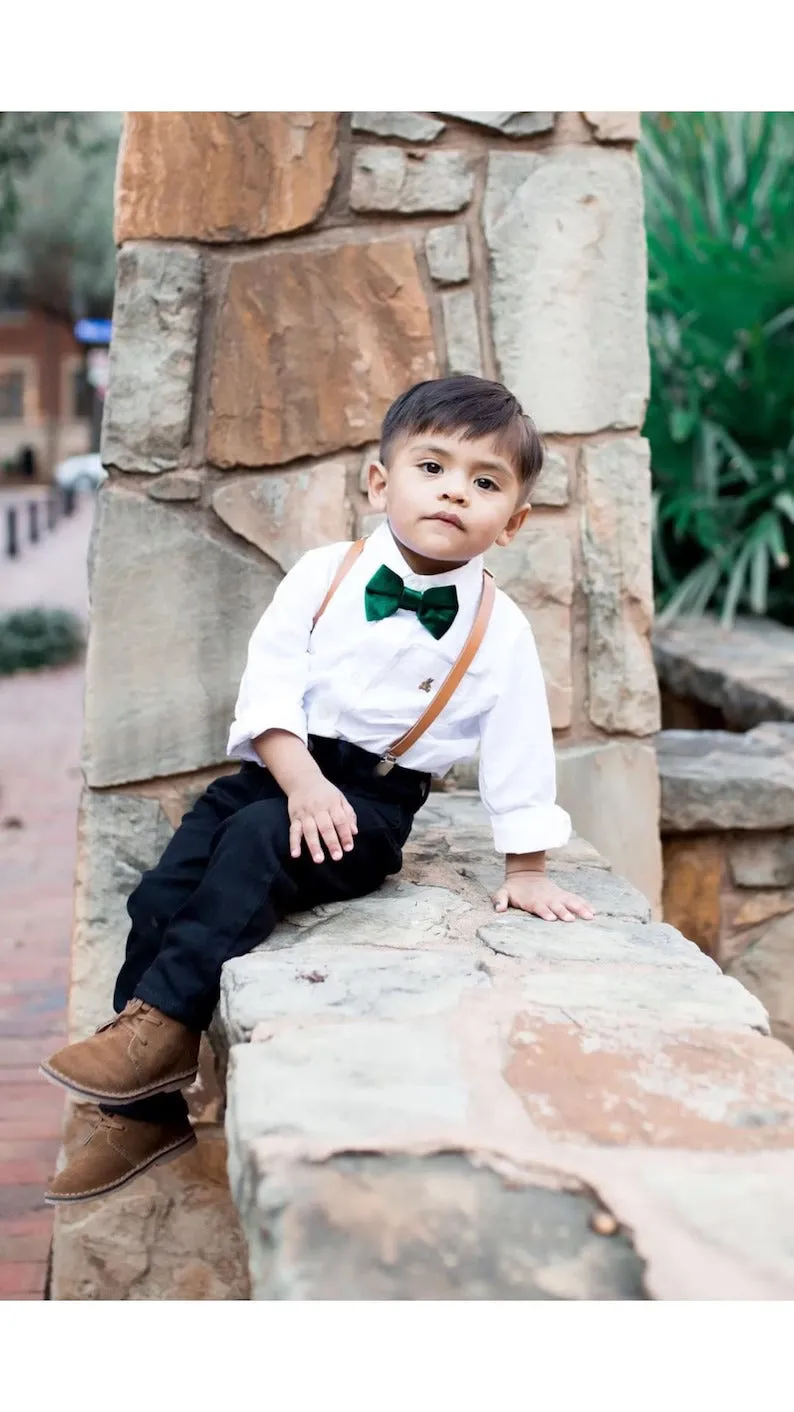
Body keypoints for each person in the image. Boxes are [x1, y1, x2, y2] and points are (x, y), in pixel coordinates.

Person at [41, 374, 594, 1205]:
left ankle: (157, 1036)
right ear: (380, 482)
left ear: (512, 522)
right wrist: (298, 782)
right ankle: (141, 1114)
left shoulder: (498, 628)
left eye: (484, 482)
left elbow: (519, 750)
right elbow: (267, 694)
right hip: (278, 768)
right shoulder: (321, 575)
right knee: (162, 894)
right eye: (432, 466)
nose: (453, 491)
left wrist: (526, 867)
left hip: (369, 807)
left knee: (263, 842)